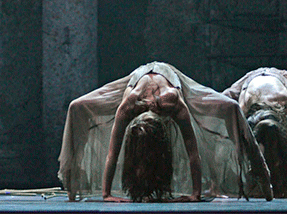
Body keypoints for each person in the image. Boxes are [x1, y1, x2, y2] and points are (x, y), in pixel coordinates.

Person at [59, 62, 273, 202]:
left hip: (174, 79)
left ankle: (262, 174)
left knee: (231, 108)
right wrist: (106, 194)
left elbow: (192, 153)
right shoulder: (129, 105)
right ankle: (72, 182)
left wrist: (195, 193)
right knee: (77, 106)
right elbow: (112, 153)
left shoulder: (174, 103)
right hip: (136, 80)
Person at [223, 68, 287, 197]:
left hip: (286, 79)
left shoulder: (285, 101)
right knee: (213, 106)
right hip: (248, 81)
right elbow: (232, 146)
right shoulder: (244, 105)